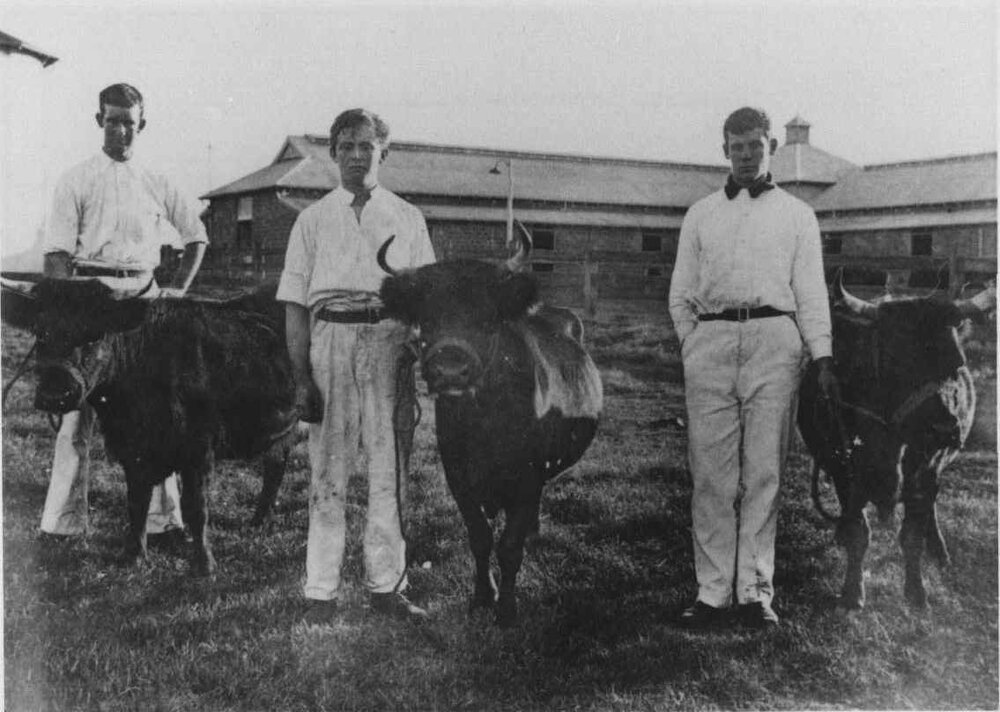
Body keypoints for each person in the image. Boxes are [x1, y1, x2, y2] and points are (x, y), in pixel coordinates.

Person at [668, 106, 838, 630]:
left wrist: (822, 354)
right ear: (724, 150)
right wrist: (693, 344)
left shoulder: (796, 215)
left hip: (774, 343)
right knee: (712, 475)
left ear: (771, 149)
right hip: (712, 343)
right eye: (736, 146)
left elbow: (810, 291)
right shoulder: (700, 214)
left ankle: (755, 591)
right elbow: (680, 295)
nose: (746, 155)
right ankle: (712, 591)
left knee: (763, 471)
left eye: (755, 146)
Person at [277, 108, 436, 624]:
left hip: (389, 341)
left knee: (386, 470)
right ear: (332, 152)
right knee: (328, 471)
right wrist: (301, 377)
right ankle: (320, 592)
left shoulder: (407, 216)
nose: (354, 155)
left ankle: (386, 587)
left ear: (383, 153)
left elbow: (428, 298)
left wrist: (417, 352)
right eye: (345, 145)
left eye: (366, 146)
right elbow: (296, 305)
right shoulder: (313, 218)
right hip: (331, 341)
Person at [40, 83, 208, 539]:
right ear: (99, 121)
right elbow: (56, 252)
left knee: (157, 413)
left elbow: (197, 236)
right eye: (112, 121)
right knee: (76, 413)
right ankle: (62, 523)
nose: (120, 131)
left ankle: (164, 519)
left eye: (129, 123)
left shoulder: (157, 181)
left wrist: (175, 291)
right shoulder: (75, 178)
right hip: (88, 303)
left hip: (143, 307)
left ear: (142, 125)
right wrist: (64, 309)